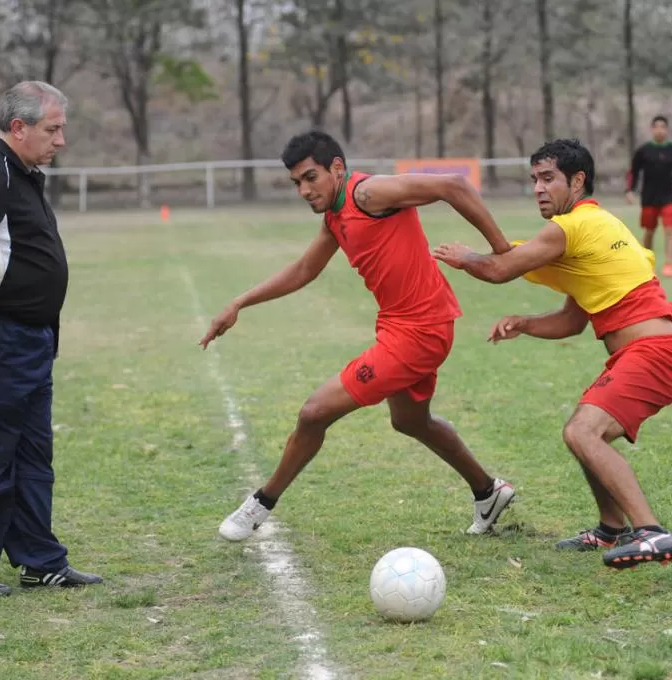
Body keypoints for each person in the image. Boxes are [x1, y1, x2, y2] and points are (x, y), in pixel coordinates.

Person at [200, 130, 516, 542]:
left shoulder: (368, 194)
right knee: (411, 422)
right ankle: (488, 491)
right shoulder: (335, 217)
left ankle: (261, 503)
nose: (304, 190)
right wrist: (240, 302)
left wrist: (500, 249)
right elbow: (303, 271)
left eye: (311, 177)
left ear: (337, 168)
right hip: (402, 327)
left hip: (420, 332)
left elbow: (452, 185)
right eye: (297, 182)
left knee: (314, 412)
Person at [433, 139, 672, 569]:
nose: (537, 187)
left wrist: (465, 257)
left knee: (582, 432)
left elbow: (499, 268)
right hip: (654, 352)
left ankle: (652, 532)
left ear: (577, 181)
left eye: (548, 178)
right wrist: (526, 324)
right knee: (584, 430)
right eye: (534, 179)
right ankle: (611, 529)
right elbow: (575, 319)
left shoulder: (570, 228)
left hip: (654, 352)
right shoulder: (597, 228)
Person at [0, 81, 102, 596]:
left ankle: (39, 559)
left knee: (32, 453)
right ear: (18, 128)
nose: (61, 141)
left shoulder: (22, 172)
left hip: (29, 339)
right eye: (52, 130)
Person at [625, 115, 672, 278]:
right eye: (656, 127)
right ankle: (647, 264)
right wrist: (630, 190)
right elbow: (634, 173)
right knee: (649, 231)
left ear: (667, 129)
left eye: (663, 127)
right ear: (652, 129)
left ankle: (668, 265)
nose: (659, 130)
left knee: (669, 231)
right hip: (649, 198)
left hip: (668, 198)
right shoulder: (643, 151)